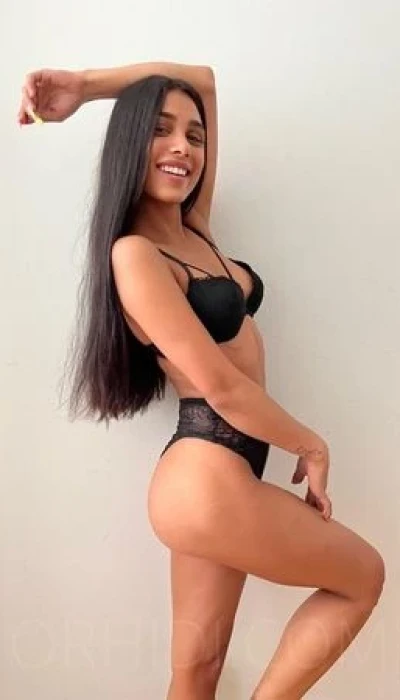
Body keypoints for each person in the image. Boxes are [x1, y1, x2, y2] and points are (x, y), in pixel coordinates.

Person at [18, 62, 385, 700]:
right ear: (130, 144)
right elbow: (222, 387)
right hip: (204, 476)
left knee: (197, 671)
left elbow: (205, 81)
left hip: (218, 477)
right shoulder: (135, 254)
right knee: (364, 577)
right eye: (160, 130)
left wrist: (83, 86)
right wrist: (310, 445)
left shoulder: (195, 232)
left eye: (195, 135)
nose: (182, 147)